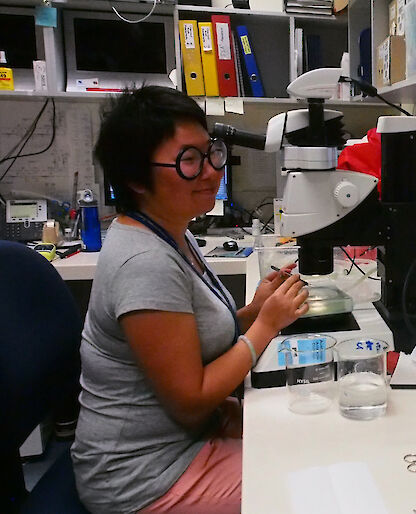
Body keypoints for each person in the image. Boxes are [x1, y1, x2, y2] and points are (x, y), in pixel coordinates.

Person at [71, 86, 309, 513]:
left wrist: (254, 309)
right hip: (143, 476)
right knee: (303, 486)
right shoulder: (143, 261)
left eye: (210, 152)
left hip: (187, 436)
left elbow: (188, 339)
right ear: (135, 178)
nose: (211, 172)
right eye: (189, 161)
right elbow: (191, 399)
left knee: (305, 429)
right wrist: (265, 326)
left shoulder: (171, 230)